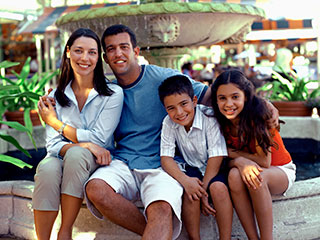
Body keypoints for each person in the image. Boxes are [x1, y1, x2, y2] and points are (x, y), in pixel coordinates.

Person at [84, 24, 210, 240]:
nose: (118, 53)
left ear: (136, 51)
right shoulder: (108, 92)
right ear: (105, 58)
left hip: (164, 164)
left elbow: (206, 94)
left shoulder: (161, 77)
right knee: (95, 189)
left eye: (124, 47)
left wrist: (260, 106)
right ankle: (156, 234)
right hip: (123, 161)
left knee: (161, 209)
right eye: (111, 49)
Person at [33, 28, 123, 240]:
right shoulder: (56, 96)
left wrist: (54, 122)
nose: (85, 58)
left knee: (77, 155)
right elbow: (53, 146)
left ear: (98, 58)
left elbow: (100, 140)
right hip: (64, 156)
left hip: (97, 160)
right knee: (47, 168)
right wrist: (85, 144)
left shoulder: (112, 94)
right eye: (78, 51)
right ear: (67, 52)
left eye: (92, 52)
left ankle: (65, 232)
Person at [210, 69, 296, 240]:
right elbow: (227, 160)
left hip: (280, 170)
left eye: (235, 97)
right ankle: (252, 237)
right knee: (234, 175)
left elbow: (264, 161)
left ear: (246, 97)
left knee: (257, 176)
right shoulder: (220, 121)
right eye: (222, 98)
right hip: (250, 168)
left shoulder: (257, 115)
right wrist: (239, 162)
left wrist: (236, 156)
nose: (229, 104)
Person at [158, 75, 233, 240]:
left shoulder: (209, 117)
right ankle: (194, 238)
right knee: (190, 192)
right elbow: (166, 158)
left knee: (218, 189)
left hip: (216, 167)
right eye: (171, 108)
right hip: (192, 167)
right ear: (165, 109)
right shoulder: (168, 123)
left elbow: (216, 156)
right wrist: (186, 181)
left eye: (184, 104)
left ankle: (225, 238)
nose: (179, 112)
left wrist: (204, 191)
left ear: (194, 100)